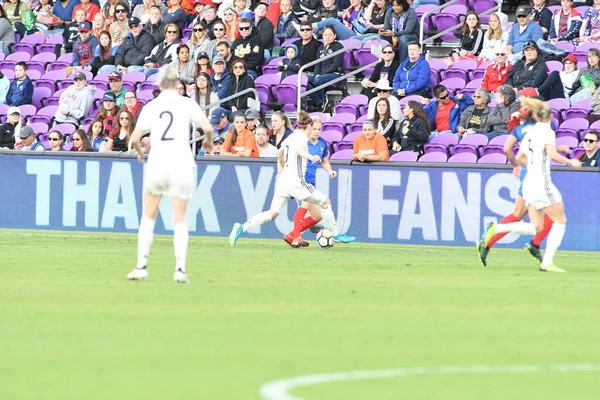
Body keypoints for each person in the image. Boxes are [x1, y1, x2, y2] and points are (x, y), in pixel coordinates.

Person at [127, 66, 214, 284]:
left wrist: (140, 154)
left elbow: (135, 138)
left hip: (158, 163)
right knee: (180, 219)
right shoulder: (186, 103)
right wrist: (208, 142)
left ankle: (141, 266)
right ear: (177, 84)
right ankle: (180, 270)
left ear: (158, 84)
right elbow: (208, 128)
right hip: (182, 163)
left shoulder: (152, 106)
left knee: (148, 216)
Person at [481, 97, 581, 272]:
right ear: (549, 116)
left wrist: (533, 166)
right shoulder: (548, 131)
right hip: (541, 181)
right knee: (560, 220)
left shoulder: (529, 132)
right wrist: (570, 162)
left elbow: (519, 157)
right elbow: (551, 154)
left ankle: (497, 228)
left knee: (537, 227)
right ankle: (547, 262)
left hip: (528, 182)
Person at [228, 111, 342, 248]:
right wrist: (310, 157)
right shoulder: (301, 138)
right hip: (297, 182)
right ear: (308, 127)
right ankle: (331, 233)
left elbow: (280, 152)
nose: (313, 130)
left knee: (272, 214)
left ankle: (241, 227)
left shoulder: (290, 137)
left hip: (284, 182)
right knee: (325, 201)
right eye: (312, 127)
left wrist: (281, 169)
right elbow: (298, 150)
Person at [478, 99, 556, 266]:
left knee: (518, 213)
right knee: (553, 214)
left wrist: (516, 165)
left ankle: (487, 242)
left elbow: (507, 149)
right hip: (538, 174)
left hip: (526, 171)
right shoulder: (546, 127)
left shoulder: (519, 129)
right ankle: (534, 244)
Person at [285, 117, 356, 246]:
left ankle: (291, 235)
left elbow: (324, 161)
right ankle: (298, 237)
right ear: (309, 128)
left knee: (317, 216)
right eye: (314, 129)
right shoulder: (301, 142)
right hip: (299, 180)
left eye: (319, 129)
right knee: (311, 204)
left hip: (310, 182)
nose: (317, 131)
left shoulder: (322, 143)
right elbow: (284, 154)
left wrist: (330, 171)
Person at [306, 26, 344, 112]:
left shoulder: (338, 46)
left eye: (330, 35)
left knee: (317, 80)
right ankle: (319, 101)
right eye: (325, 35)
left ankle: (323, 100)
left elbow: (335, 64)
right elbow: (318, 64)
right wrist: (316, 74)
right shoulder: (321, 47)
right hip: (321, 74)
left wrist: (320, 75)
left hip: (335, 73)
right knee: (304, 80)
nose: (327, 37)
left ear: (334, 36)